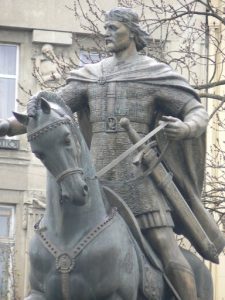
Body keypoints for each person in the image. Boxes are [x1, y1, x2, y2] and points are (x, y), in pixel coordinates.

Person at [1, 7, 225, 300]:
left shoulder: (153, 73)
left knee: (168, 251)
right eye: (105, 28)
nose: (107, 33)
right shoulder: (91, 76)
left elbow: (195, 110)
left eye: (113, 28)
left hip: (140, 183)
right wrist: (6, 126)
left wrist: (185, 128)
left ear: (132, 32)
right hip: (96, 180)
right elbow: (50, 113)